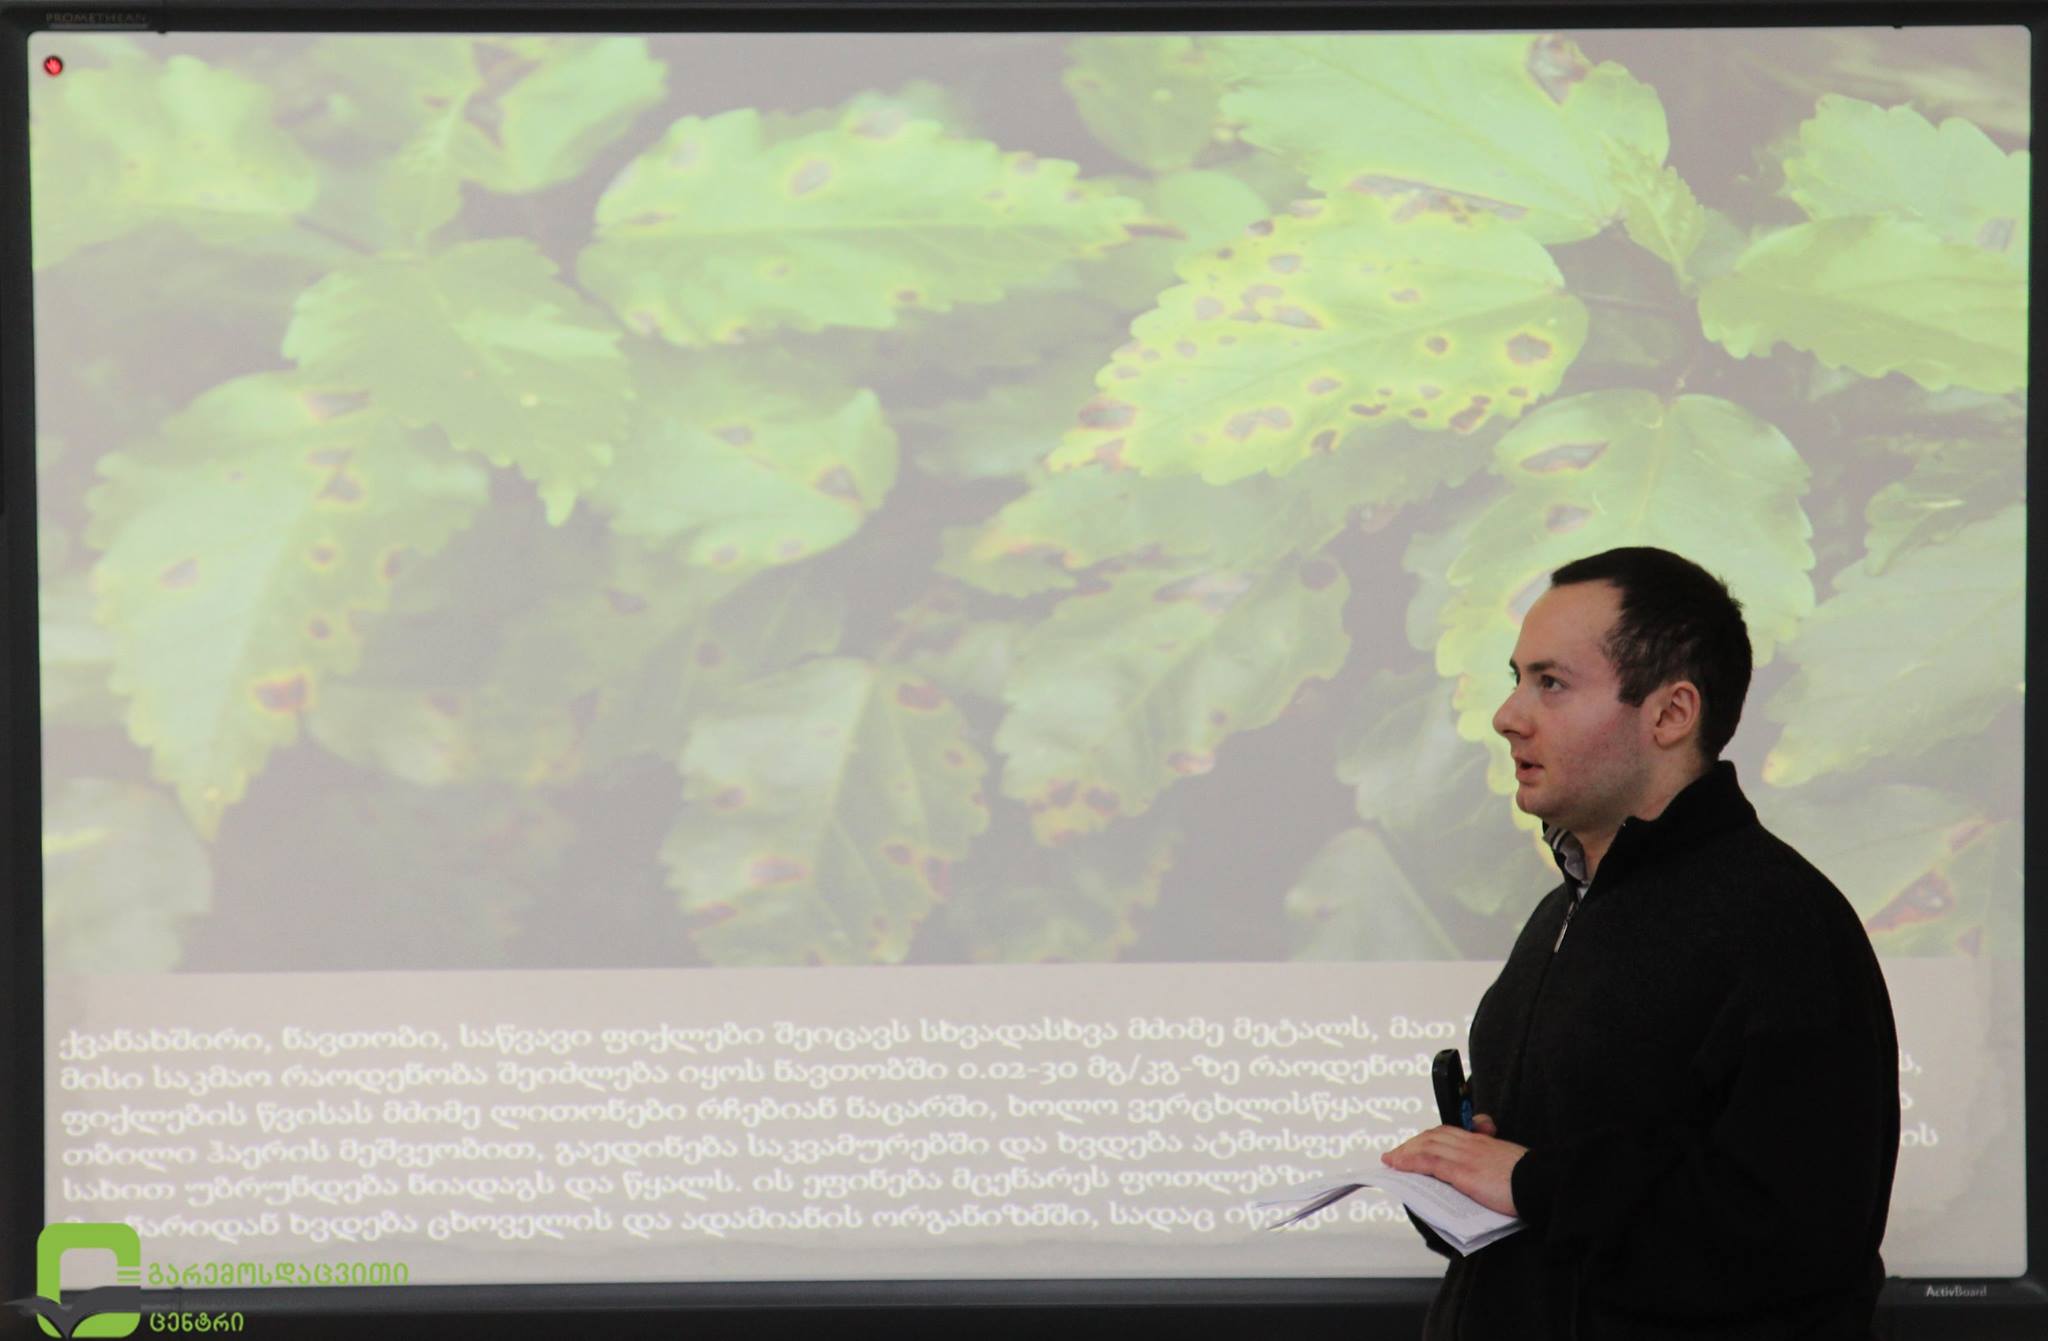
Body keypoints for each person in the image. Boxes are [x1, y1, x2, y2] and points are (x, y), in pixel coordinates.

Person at [1381, 547, 1899, 1340]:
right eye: (1516, 678)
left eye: (1551, 683)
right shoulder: (1562, 912)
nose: (1508, 714)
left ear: (1671, 714)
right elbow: (1551, 1205)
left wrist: (1533, 1181)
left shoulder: (1784, 924)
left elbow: (1794, 1235)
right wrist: (1459, 1181)